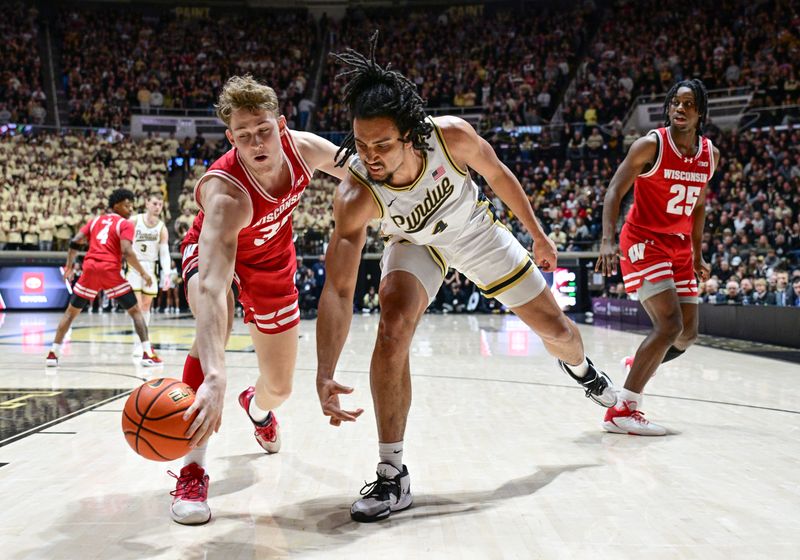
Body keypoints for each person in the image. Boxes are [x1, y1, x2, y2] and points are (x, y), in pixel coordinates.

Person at [316, 35, 615, 523]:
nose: (370, 155)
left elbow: (498, 176)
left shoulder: (449, 137)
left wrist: (537, 234)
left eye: (383, 144)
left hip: (474, 232)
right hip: (415, 243)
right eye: (362, 143)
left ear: (410, 134)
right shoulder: (356, 196)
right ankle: (392, 474)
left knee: (559, 333)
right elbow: (339, 288)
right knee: (391, 332)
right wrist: (324, 370)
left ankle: (586, 374)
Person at [167, 75, 348, 526]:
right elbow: (210, 286)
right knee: (215, 326)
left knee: (281, 386)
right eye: (243, 136)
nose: (256, 142)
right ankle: (192, 469)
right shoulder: (227, 193)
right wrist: (214, 374)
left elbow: (365, 171)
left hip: (271, 262)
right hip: (214, 255)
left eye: (264, 130)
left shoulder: (305, 149)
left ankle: (257, 406)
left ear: (281, 125)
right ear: (231, 138)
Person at [596, 79, 719, 436]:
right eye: (675, 103)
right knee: (668, 326)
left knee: (687, 334)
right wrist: (607, 240)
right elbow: (615, 189)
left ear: (700, 111)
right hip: (643, 239)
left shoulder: (710, 155)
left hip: (679, 244)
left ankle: (642, 363)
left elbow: (698, 208)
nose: (680, 109)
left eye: (688, 103)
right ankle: (623, 409)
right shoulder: (651, 144)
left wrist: (697, 254)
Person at [46, 189, 162, 368]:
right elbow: (126, 251)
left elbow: (75, 242)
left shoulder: (95, 221)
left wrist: (69, 265)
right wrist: (144, 273)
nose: (130, 208)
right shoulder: (125, 224)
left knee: (70, 314)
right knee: (136, 312)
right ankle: (147, 353)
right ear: (115, 205)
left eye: (132, 205)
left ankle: (53, 353)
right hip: (109, 271)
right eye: (126, 205)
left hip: (90, 269)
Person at [127, 194, 171, 355]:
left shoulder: (162, 228)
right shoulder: (133, 221)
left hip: (150, 267)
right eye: (154, 203)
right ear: (147, 203)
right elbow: (122, 243)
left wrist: (166, 274)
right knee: (137, 307)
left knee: (146, 306)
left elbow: (164, 253)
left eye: (160, 204)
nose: (157, 206)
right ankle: (138, 342)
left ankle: (142, 342)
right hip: (134, 266)